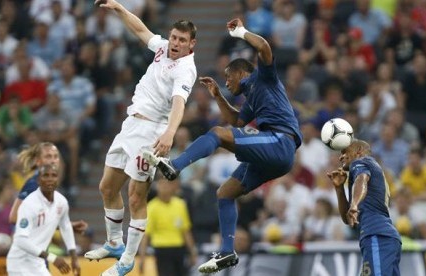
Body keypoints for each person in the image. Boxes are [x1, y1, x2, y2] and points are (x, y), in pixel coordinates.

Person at [144, 17, 302, 273]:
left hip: (280, 142)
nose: (227, 83)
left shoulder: (264, 78)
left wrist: (241, 33)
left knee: (217, 133)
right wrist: (218, 96)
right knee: (225, 193)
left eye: (228, 78)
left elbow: (264, 48)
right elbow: (236, 120)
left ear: (241, 72)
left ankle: (175, 165)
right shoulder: (251, 98)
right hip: (275, 155)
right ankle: (227, 253)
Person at [84, 1, 197, 275]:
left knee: (136, 197)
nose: (175, 43)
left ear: (191, 45)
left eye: (182, 40)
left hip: (153, 132)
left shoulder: (185, 70)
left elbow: (179, 103)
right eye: (173, 37)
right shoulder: (162, 49)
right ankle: (113, 242)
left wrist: (170, 132)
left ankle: (127, 260)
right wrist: (120, 9)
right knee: (106, 188)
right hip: (130, 125)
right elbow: (141, 30)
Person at [327, 139, 401, 276]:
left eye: (345, 151)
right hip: (383, 235)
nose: (340, 156)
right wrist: (339, 189)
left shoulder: (361, 162)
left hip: (377, 234)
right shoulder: (370, 167)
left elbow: (362, 178)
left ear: (359, 150)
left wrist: (354, 203)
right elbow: (348, 220)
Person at [6, 164, 80, 276]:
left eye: (54, 175)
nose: (50, 179)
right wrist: (52, 258)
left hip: (37, 263)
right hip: (20, 263)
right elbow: (20, 240)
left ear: (58, 179)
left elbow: (65, 226)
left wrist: (74, 257)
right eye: (45, 175)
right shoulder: (29, 204)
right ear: (38, 180)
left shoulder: (62, 201)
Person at [8, 142, 88, 233]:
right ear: (38, 161)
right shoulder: (34, 184)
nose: (53, 161)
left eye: (55, 157)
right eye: (48, 157)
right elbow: (14, 218)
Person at [139, 176, 197, 276]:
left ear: (172, 186)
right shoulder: (152, 207)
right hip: (162, 250)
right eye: (162, 185)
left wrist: (192, 252)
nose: (164, 188)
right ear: (157, 187)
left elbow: (186, 231)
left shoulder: (180, 204)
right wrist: (142, 257)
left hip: (179, 249)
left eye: (167, 185)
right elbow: (146, 235)